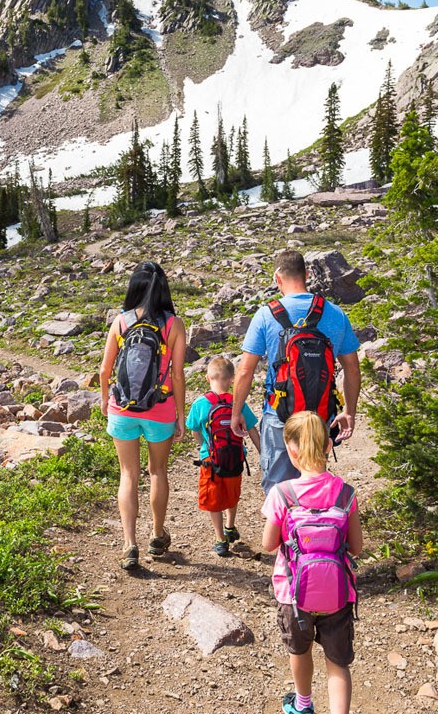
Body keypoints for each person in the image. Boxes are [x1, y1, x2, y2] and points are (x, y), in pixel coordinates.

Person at [232, 250, 361, 495]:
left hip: (280, 414)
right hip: (319, 415)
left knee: (278, 488)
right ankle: (315, 531)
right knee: (314, 483)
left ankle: (282, 533)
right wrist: (349, 412)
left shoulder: (265, 314)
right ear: (308, 274)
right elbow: (352, 369)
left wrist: (237, 411)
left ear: (277, 277)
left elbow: (245, 370)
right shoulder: (335, 313)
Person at [262, 411, 363, 714]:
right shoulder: (346, 493)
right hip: (338, 594)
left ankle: (303, 704)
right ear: (328, 447)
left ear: (290, 450)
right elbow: (356, 548)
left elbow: (268, 545)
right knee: (338, 663)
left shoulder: (283, 494)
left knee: (300, 649)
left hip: (294, 594)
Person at [99, 260, 187, 571]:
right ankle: (156, 536)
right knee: (157, 472)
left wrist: (103, 400)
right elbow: (177, 375)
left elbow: (105, 370)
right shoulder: (173, 325)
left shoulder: (120, 322)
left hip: (122, 408)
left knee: (128, 474)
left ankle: (129, 544)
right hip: (159, 408)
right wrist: (181, 414)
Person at [186, 356, 258, 557]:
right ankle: (230, 526)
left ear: (208, 378)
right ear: (232, 379)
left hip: (211, 461)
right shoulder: (238, 403)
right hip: (235, 459)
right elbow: (252, 429)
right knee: (231, 494)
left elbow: (194, 430)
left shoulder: (200, 403)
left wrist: (205, 447)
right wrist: (263, 453)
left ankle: (220, 539)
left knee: (214, 499)